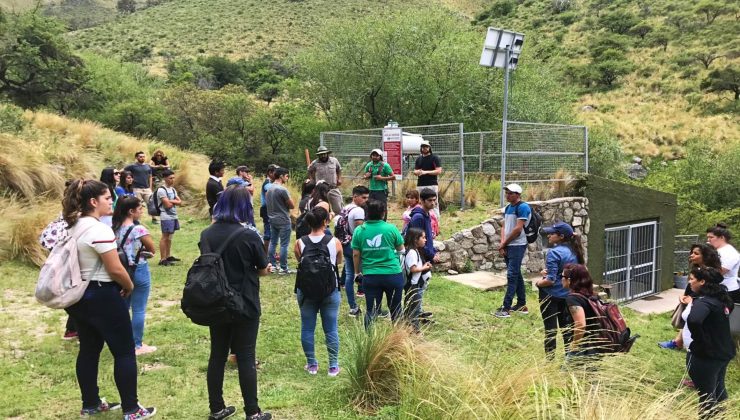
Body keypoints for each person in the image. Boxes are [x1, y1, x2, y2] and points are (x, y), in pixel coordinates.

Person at [61, 179, 156, 419]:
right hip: (102, 293)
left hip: (79, 296)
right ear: (93, 202)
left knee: (89, 349)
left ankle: (90, 403)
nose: (110, 201)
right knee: (124, 351)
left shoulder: (71, 226)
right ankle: (132, 409)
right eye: (106, 198)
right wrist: (129, 284)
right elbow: (114, 268)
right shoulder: (98, 229)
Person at [200, 186, 272, 420]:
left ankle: (217, 408)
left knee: (217, 355)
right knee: (246, 356)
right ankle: (252, 411)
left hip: (216, 299)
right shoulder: (249, 235)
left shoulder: (206, 234)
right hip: (245, 300)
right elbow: (262, 269)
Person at [293, 207, 343, 377]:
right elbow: (339, 261)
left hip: (306, 290)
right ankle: (333, 366)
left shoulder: (300, 242)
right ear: (325, 222)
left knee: (307, 328)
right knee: (331, 328)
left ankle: (312, 364)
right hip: (330, 289)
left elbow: (300, 260)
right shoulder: (334, 241)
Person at [685, 266, 735, 418]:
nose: (689, 282)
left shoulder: (704, 302)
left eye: (692, 279)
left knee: (706, 395)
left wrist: (701, 339)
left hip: (707, 355)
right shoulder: (721, 299)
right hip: (723, 352)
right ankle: (721, 416)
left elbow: (694, 320)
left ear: (702, 282)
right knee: (718, 387)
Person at [113, 196, 157, 356]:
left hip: (121, 270)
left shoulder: (114, 228)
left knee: (124, 307)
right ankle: (136, 344)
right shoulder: (139, 230)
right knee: (139, 309)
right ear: (131, 211)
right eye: (140, 209)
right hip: (139, 269)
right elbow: (152, 249)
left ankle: (121, 341)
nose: (142, 211)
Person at [351, 199, 405, 328]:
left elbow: (356, 254)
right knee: (396, 309)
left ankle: (369, 341)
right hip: (393, 274)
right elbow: (401, 250)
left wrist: (356, 273)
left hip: (371, 275)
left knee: (371, 310)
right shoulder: (391, 228)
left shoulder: (360, 230)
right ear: (383, 213)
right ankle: (399, 341)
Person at [535, 222, 585, 358]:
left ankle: (549, 362)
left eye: (552, 233)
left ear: (561, 236)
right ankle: (569, 359)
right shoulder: (576, 250)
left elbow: (549, 281)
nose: (549, 235)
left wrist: (538, 283)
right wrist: (552, 272)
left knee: (550, 331)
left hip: (550, 296)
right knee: (567, 330)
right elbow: (567, 273)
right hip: (567, 295)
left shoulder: (554, 252)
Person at [659, 243, 722, 350]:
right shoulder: (697, 268)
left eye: (696, 253)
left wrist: (693, 300)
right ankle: (678, 342)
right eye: (691, 252)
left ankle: (681, 343)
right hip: (691, 300)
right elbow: (690, 285)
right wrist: (683, 296)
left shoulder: (711, 273)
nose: (691, 255)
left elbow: (708, 292)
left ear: (705, 256)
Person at [494, 183, 532, 318]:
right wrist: (503, 243)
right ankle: (522, 305)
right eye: (507, 193)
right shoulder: (508, 207)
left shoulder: (523, 207)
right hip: (509, 244)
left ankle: (506, 308)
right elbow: (504, 226)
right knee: (516, 274)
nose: (507, 195)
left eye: (510, 193)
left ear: (518, 194)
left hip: (518, 245)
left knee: (511, 275)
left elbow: (517, 230)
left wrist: (505, 243)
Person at [407, 188, 440, 321]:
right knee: (417, 285)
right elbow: (417, 240)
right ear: (422, 201)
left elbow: (427, 238)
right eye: (430, 200)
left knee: (423, 283)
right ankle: (413, 314)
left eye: (434, 200)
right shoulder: (418, 217)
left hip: (425, 255)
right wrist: (430, 255)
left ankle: (418, 311)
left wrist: (433, 252)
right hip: (418, 256)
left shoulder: (426, 214)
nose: (433, 203)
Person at [340, 185, 369, 317]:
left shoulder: (345, 208)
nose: (366, 200)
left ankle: (353, 306)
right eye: (363, 197)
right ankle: (372, 306)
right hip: (355, 246)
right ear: (355, 196)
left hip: (345, 243)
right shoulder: (358, 211)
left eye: (367, 198)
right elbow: (360, 231)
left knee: (349, 275)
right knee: (364, 274)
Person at [563, 264, 601, 358]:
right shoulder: (592, 296)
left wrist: (574, 345)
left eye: (563, 276)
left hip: (582, 347)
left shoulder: (573, 299)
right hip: (596, 345)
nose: (561, 279)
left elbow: (581, 324)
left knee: (567, 372)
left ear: (570, 280)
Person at [266, 167, 295, 275]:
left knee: (273, 242)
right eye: (286, 176)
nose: (287, 178)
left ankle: (272, 265)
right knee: (284, 244)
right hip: (283, 219)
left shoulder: (269, 188)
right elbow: (291, 205)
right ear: (281, 176)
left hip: (272, 219)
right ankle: (283, 268)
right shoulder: (282, 189)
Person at [403, 227, 432, 332]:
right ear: (415, 239)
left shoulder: (414, 250)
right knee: (414, 309)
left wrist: (424, 265)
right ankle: (415, 331)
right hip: (413, 285)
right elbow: (413, 269)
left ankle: (406, 327)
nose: (425, 240)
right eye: (423, 237)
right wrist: (425, 267)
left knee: (410, 307)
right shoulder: (412, 252)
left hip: (414, 284)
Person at [706, 223, 740, 303]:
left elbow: (718, 273)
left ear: (722, 237)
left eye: (711, 237)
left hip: (727, 291)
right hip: (716, 288)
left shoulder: (729, 252)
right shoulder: (717, 250)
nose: (708, 240)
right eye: (707, 237)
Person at [307, 146, 343, 214]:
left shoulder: (334, 161)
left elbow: (339, 169)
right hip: (320, 190)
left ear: (327, 153)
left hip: (332, 188)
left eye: (324, 154)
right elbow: (309, 170)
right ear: (318, 155)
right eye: (321, 154)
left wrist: (339, 178)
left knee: (338, 209)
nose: (323, 156)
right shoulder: (315, 163)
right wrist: (312, 179)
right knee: (320, 210)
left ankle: (340, 222)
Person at [157, 169, 182, 266]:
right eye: (170, 178)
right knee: (165, 237)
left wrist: (170, 201)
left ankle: (168, 256)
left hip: (173, 215)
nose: (172, 180)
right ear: (165, 178)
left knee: (170, 237)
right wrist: (173, 201)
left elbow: (180, 202)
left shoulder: (173, 189)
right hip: (166, 216)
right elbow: (167, 205)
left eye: (173, 178)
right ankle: (162, 259)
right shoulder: (161, 190)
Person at [413, 140, 442, 219]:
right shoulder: (419, 158)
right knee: (421, 202)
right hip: (420, 184)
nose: (424, 148)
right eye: (423, 147)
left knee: (433, 203)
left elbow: (438, 171)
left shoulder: (434, 158)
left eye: (426, 147)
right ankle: (423, 219)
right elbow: (415, 171)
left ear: (429, 148)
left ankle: (435, 222)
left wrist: (426, 172)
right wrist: (417, 172)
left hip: (431, 184)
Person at [125, 151, 156, 225]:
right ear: (136, 157)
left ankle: (154, 218)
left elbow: (150, 177)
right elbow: (123, 171)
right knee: (137, 205)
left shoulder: (148, 166)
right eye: (140, 157)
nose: (142, 158)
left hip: (147, 188)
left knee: (151, 203)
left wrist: (150, 187)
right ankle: (136, 220)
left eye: (143, 156)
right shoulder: (132, 166)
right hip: (136, 188)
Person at [362, 149, 394, 220]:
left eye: (377, 155)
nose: (375, 157)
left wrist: (382, 178)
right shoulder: (369, 165)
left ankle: (383, 222)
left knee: (382, 207)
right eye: (373, 155)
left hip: (381, 190)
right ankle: (370, 221)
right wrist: (366, 176)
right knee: (370, 207)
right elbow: (365, 176)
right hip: (371, 190)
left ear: (380, 156)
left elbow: (393, 177)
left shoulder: (385, 165)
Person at [260, 164, 278, 253]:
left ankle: (270, 253)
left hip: (270, 210)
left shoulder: (271, 183)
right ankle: (265, 255)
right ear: (270, 173)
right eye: (276, 173)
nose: (278, 175)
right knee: (268, 233)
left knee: (272, 232)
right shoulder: (267, 184)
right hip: (267, 210)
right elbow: (270, 195)